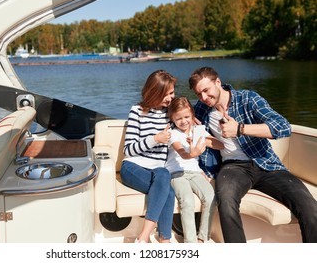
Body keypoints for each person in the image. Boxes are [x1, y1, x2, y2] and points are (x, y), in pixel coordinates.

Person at [188, 66, 317, 243]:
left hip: (267, 164)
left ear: (218, 82)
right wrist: (188, 123)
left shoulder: (248, 98)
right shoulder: (202, 110)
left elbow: (283, 127)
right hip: (233, 168)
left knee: (309, 207)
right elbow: (175, 114)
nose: (203, 98)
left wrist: (240, 129)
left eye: (206, 90)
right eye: (198, 94)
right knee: (226, 201)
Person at [120, 69, 176, 243]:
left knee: (164, 177)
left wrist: (190, 120)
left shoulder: (171, 114)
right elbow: (128, 150)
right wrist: (155, 139)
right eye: (166, 95)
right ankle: (161, 239)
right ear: (154, 93)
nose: (171, 98)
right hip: (132, 167)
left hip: (158, 171)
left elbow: (187, 115)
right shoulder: (137, 111)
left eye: (172, 93)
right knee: (167, 190)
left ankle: (150, 238)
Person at [166, 96, 224, 243]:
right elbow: (181, 152)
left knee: (211, 197)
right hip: (177, 173)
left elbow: (220, 145)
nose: (183, 121)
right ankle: (190, 242)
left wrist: (203, 140)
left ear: (192, 115)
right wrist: (191, 153)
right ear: (172, 118)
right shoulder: (173, 134)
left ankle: (203, 238)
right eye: (178, 118)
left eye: (186, 117)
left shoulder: (197, 131)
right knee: (187, 201)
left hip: (196, 173)